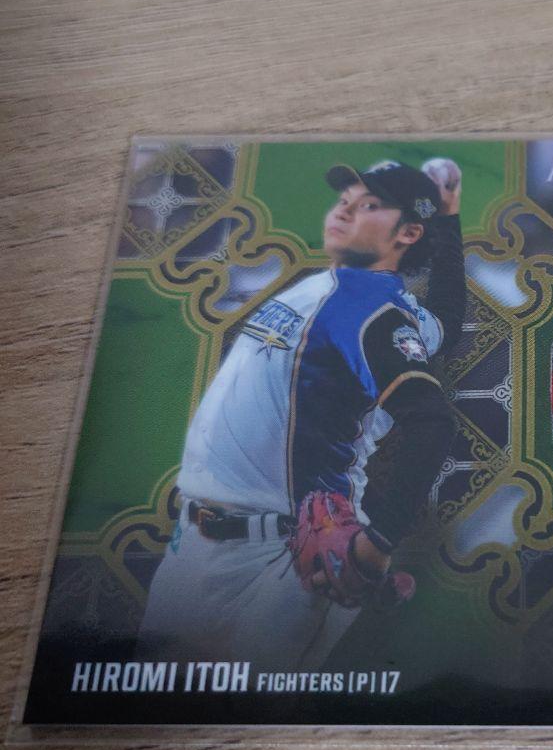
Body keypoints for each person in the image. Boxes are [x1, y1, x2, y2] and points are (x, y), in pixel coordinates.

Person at [136, 158, 465, 672]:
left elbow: (432, 422)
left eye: (369, 204)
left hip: (290, 559)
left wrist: (378, 545)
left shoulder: (374, 313)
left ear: (407, 233)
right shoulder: (331, 289)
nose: (345, 208)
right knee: (146, 703)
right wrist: (449, 215)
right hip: (193, 544)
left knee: (246, 713)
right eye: (346, 198)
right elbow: (446, 319)